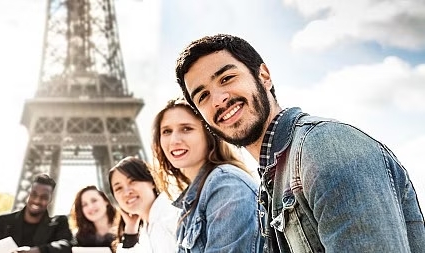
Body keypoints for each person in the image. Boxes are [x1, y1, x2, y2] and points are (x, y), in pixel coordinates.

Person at [174, 34, 425, 252]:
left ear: (264, 76)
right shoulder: (272, 180)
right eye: (203, 96)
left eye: (226, 78)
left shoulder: (325, 148)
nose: (218, 99)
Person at [151, 97, 263, 253]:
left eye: (186, 128)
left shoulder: (226, 184)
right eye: (167, 131)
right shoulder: (192, 202)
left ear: (209, 134)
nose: (174, 140)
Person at [0, 174, 72, 253]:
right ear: (27, 195)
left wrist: (38, 251)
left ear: (50, 200)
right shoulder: (1, 221)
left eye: (44, 197)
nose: (37, 200)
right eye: (34, 194)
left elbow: (67, 246)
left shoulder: (59, 223)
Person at [108, 156, 180, 253]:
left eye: (132, 181)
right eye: (118, 188)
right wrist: (130, 229)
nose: (126, 192)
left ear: (152, 182)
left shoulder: (172, 214)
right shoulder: (145, 229)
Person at [70, 185, 118, 250]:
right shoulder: (78, 239)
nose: (90, 207)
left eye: (94, 200)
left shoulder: (125, 228)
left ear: (106, 200)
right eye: (84, 205)